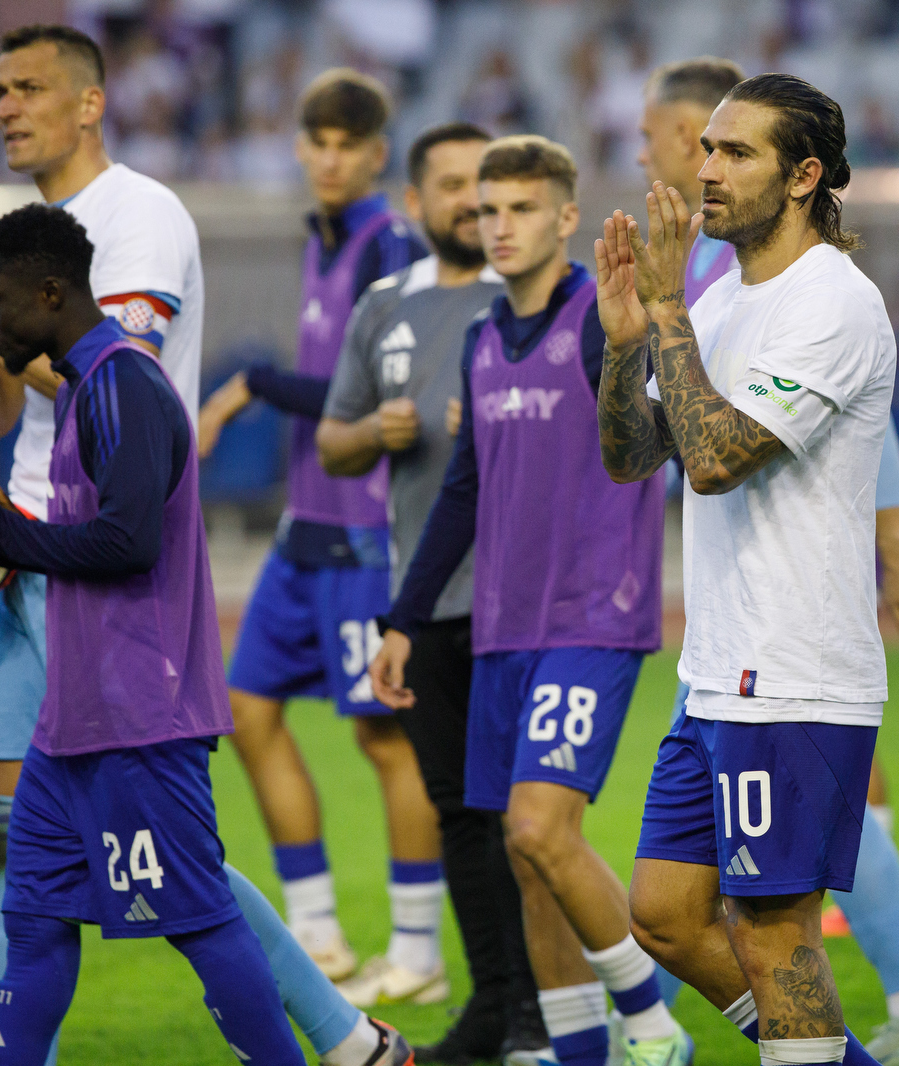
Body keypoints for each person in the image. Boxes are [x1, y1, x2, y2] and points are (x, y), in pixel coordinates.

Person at [0, 27, 399, 1066]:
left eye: (27, 88)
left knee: (164, 847)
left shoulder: (135, 216)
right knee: (21, 841)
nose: (3, 105)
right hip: (21, 563)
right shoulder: (35, 231)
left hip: (98, 577)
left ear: (92, 102)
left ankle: (335, 1035)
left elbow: (112, 383)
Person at [0, 203, 308, 1066]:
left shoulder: (124, 381)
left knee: (198, 920)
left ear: (51, 292)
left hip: (142, 716)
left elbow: (129, 543)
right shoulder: (90, 389)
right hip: (73, 717)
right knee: (35, 919)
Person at [639, 56, 899, 1066]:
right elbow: (628, 454)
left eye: (735, 152)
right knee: (664, 915)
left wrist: (661, 316)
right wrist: (621, 340)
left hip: (792, 675)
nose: (709, 170)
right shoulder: (726, 301)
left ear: (803, 175)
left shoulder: (832, 301)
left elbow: (717, 458)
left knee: (775, 935)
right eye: (706, 149)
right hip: (713, 674)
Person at [368, 135, 688, 1066]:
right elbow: (463, 490)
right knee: (527, 856)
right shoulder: (478, 342)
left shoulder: (598, 319)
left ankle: (654, 1025)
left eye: (517, 208)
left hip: (592, 613)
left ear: (564, 217)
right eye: (485, 210)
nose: (495, 225)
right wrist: (404, 618)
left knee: (541, 828)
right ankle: (575, 1051)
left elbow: (649, 436)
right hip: (502, 627)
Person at [197, 69, 443, 996]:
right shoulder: (324, 242)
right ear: (301, 150)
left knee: (385, 739)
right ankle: (319, 936)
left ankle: (416, 952)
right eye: (319, 142)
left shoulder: (389, 248)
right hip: (306, 530)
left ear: (378, 155)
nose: (332, 158)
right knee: (249, 712)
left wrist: (251, 383)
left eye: (350, 144)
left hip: (364, 536)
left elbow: (379, 397)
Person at [316, 122, 550, 1064]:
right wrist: (378, 427)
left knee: (531, 823)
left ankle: (566, 1007)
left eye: (488, 189)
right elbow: (333, 441)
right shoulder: (384, 304)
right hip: (426, 597)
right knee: (459, 815)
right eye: (454, 187)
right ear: (415, 203)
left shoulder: (533, 301)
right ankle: (498, 1004)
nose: (471, 204)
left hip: (525, 606)